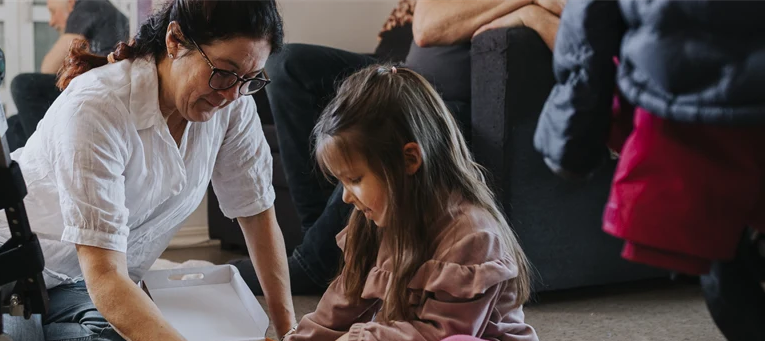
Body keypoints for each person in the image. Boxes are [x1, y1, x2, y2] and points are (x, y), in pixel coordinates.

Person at [0, 0, 295, 341]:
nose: (232, 94)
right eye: (224, 72)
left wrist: (290, 339)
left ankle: (20, 337)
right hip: (7, 257)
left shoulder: (234, 104)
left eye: (250, 78)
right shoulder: (99, 106)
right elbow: (106, 274)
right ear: (176, 40)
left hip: (76, 277)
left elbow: (258, 217)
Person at [534, 1, 765, 341]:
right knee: (736, 281)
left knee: (736, 279)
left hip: (703, 94)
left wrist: (573, 130)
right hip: (710, 98)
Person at [239, 66, 540, 341]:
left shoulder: (473, 234)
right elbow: (339, 305)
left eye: (354, 179)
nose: (346, 197)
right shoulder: (371, 222)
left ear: (409, 159)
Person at [235, 0, 563, 296]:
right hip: (402, 75)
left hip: (453, 108)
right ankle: (327, 247)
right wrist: (527, 7)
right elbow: (427, 26)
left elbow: (577, 47)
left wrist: (532, 17)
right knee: (287, 64)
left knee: (390, 120)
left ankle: (314, 264)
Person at [4, 0, 129, 149]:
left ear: (70, 3)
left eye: (53, 11)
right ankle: (25, 169)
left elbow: (50, 67)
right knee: (12, 126)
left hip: (99, 95)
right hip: (100, 93)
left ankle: (46, 155)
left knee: (24, 85)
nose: (51, 22)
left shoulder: (89, 6)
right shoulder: (106, 12)